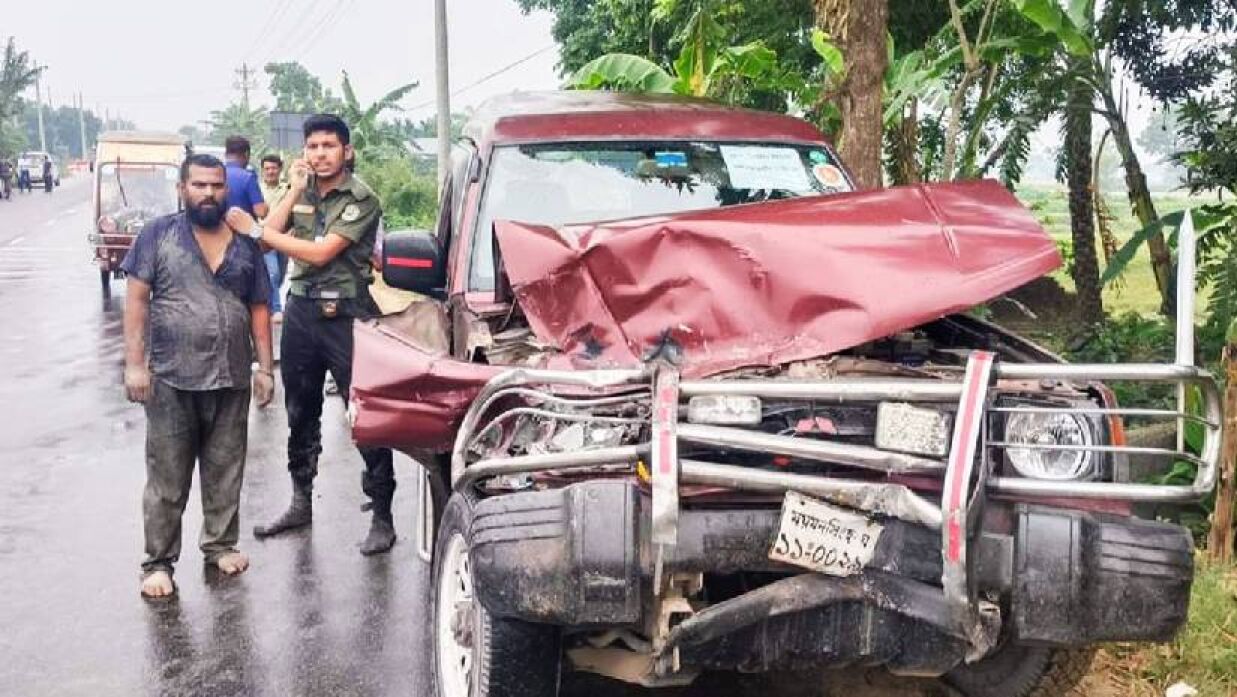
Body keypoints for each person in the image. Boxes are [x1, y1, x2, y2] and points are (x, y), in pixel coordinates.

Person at [225, 114, 397, 555]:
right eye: (313, 147)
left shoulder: (361, 199)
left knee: (365, 414)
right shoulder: (298, 191)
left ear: (347, 152)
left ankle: (382, 513)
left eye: (329, 146)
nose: (320, 154)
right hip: (301, 311)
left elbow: (320, 253)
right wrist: (293, 191)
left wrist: (259, 230)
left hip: (346, 312)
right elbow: (267, 244)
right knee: (300, 411)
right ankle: (301, 501)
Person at [122, 153, 275, 599]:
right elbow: (136, 301)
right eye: (199, 185)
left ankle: (221, 545)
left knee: (226, 469)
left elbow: (259, 309)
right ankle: (158, 562)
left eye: (216, 186)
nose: (208, 193)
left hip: (230, 376)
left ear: (227, 189)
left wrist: (265, 368)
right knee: (168, 477)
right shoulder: (158, 235)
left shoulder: (245, 244)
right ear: (182, 189)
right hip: (171, 376)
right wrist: (135, 364)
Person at [258, 154, 289, 319]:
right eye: (267, 169)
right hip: (264, 238)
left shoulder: (288, 190)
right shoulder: (257, 188)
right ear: (262, 170)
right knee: (273, 273)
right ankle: (275, 308)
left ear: (280, 169)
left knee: (281, 274)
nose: (270, 172)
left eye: (273, 168)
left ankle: (271, 302)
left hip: (283, 239)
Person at [223, 136, 268, 219]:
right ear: (247, 154)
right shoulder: (248, 177)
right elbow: (261, 212)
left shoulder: (215, 175)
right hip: (243, 229)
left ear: (226, 154)